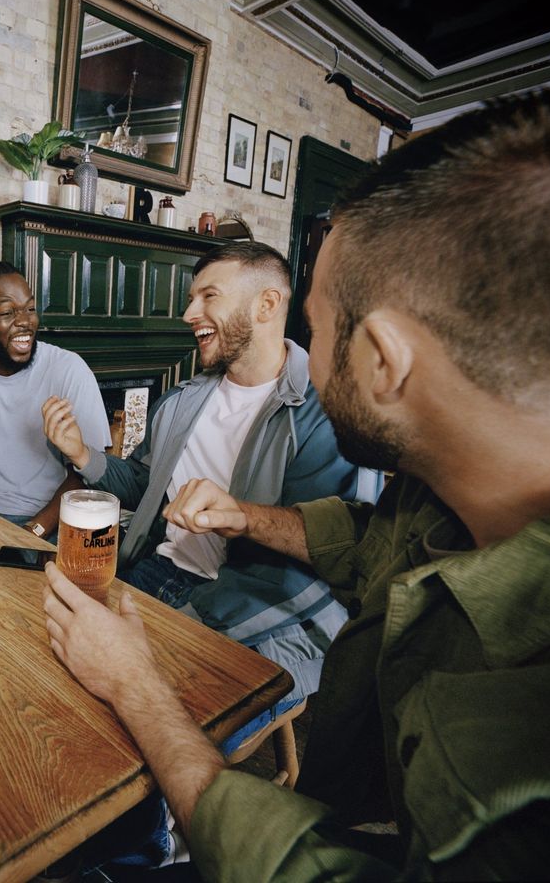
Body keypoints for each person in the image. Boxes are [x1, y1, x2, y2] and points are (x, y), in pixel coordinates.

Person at [43, 87, 550, 878]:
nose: (312, 356)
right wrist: (227, 509)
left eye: (319, 323)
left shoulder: (545, 742)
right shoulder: (434, 491)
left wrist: (139, 684)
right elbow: (369, 538)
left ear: (380, 359)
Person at [42, 242, 379, 747]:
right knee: (56, 674)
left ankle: (165, 823)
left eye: (208, 296)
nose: (188, 313)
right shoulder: (184, 399)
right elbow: (143, 485)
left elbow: (337, 550)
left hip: (259, 602)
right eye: (190, 298)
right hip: (156, 570)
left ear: (266, 305)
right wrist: (82, 454)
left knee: (140, 730)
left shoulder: (327, 409)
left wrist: (239, 516)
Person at [0, 260, 111, 537]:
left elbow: (92, 475)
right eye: (7, 312)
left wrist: (33, 530)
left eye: (30, 309)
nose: (25, 321)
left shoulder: (68, 370)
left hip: (48, 521)